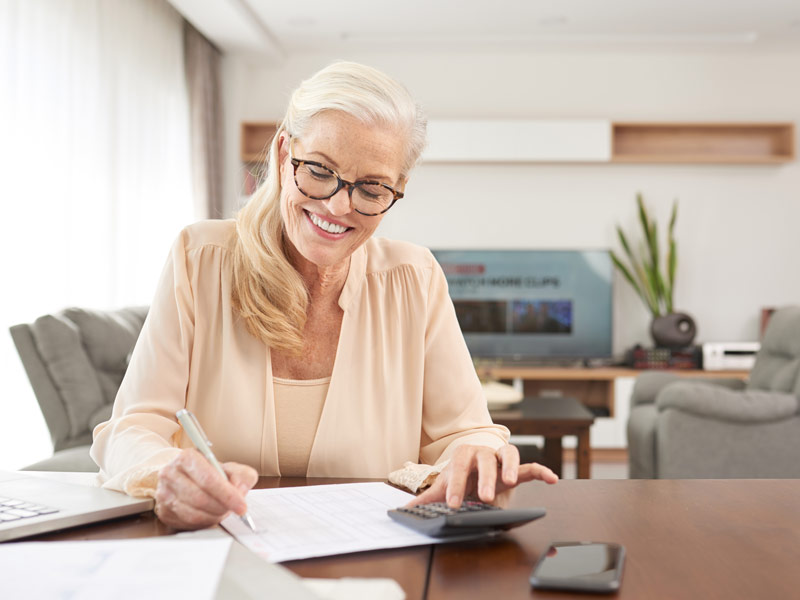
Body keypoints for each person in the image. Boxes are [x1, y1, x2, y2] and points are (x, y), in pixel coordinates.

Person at [91, 61, 557, 530]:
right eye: (318, 170)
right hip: (216, 548)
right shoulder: (199, 258)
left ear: (397, 189)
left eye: (371, 188)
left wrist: (477, 460)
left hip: (373, 554)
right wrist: (165, 476)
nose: (338, 206)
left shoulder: (414, 278)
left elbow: (466, 432)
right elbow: (133, 429)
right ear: (281, 153)